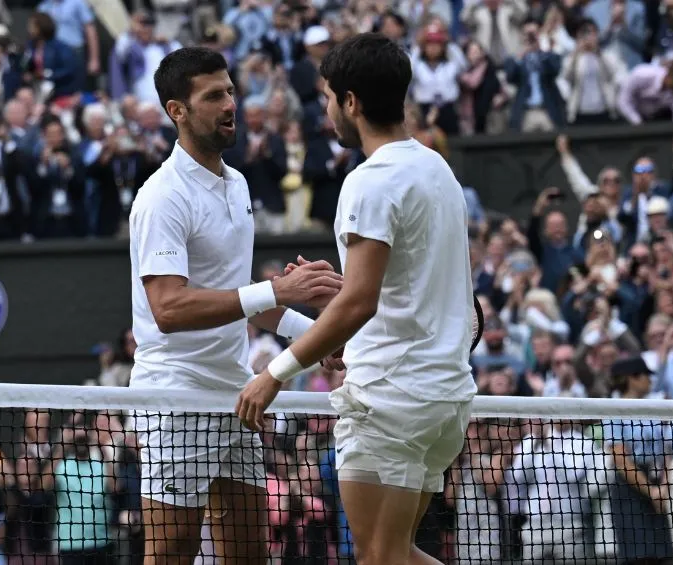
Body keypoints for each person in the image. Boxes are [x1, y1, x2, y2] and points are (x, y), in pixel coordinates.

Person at [236, 33, 477, 565]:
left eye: (328, 97)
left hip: (392, 402)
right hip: (441, 404)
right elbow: (409, 290)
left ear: (351, 102)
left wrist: (274, 372)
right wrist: (341, 289)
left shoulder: (369, 181)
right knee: (393, 554)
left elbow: (361, 304)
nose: (326, 110)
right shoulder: (438, 170)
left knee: (378, 558)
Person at [128, 46, 344, 565]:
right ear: (177, 110)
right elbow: (170, 309)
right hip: (175, 398)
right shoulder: (163, 197)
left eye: (230, 90)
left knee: (249, 551)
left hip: (236, 395)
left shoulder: (239, 183)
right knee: (172, 554)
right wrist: (276, 290)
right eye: (213, 95)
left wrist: (314, 339)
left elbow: (237, 297)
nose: (230, 103)